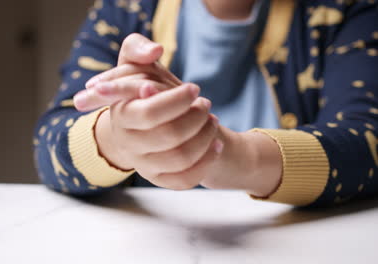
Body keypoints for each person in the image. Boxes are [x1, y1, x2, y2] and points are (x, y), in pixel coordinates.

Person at [33, 0, 378, 207]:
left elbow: (367, 142)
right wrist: (115, 138)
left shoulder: (346, 8)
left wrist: (238, 155)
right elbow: (50, 142)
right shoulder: (126, 9)